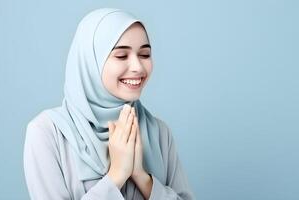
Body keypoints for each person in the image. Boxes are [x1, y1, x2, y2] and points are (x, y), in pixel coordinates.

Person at [23, 8, 195, 200]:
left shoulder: (159, 133)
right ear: (90, 61)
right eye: (121, 56)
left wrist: (142, 177)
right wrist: (117, 176)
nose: (138, 67)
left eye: (145, 54)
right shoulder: (48, 133)